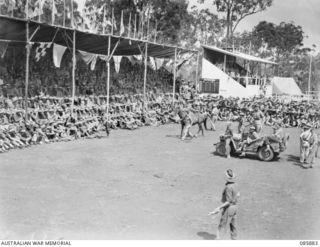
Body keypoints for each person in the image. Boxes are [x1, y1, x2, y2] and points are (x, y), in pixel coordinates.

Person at [208, 169, 239, 240]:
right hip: (235, 208)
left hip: (229, 208)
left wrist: (219, 208)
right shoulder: (236, 185)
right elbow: (238, 195)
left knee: (222, 227)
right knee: (233, 226)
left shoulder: (228, 187)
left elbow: (228, 201)